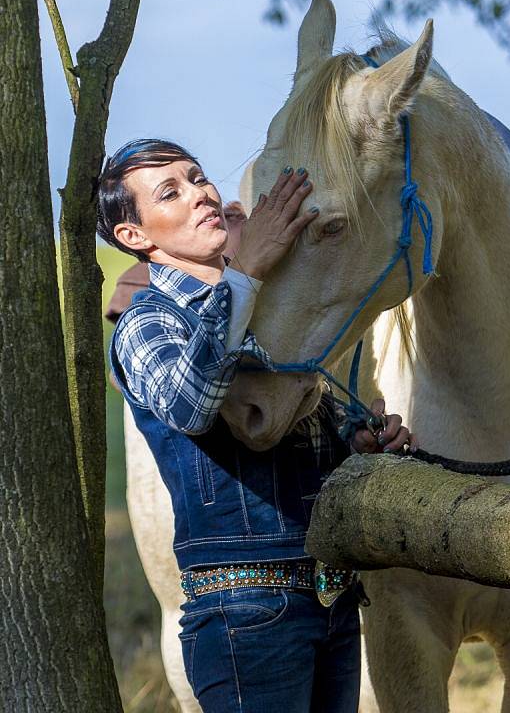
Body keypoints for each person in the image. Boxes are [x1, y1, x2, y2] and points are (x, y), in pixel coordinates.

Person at [97, 139, 417, 713]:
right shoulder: (145, 322)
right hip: (243, 616)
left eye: (198, 177)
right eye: (171, 192)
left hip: (331, 601)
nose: (200, 194)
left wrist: (358, 440)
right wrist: (244, 273)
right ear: (136, 237)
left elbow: (309, 430)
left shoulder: (262, 310)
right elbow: (189, 403)